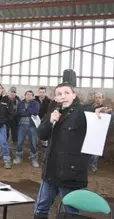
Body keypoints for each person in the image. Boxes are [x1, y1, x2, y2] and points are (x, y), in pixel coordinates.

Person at [34, 83, 89, 219]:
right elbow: (41, 134)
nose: (63, 96)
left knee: (71, 212)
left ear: (74, 95)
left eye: (66, 93)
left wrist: (104, 115)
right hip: (51, 171)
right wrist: (50, 121)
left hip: (70, 173)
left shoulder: (83, 113)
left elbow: (101, 123)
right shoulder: (53, 112)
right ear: (55, 98)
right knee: (40, 209)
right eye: (59, 94)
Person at [14, 90, 40, 167]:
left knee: (33, 143)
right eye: (27, 94)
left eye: (30, 94)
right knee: (20, 142)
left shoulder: (36, 103)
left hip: (32, 126)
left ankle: (34, 159)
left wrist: (25, 110)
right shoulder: (21, 103)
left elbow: (35, 112)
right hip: (22, 125)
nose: (28, 96)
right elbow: (19, 113)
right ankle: (18, 157)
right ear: (25, 95)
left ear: (33, 96)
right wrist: (28, 112)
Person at [35, 87, 52, 163]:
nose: (41, 94)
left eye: (43, 92)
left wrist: (45, 119)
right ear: (38, 93)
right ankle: (35, 156)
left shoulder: (49, 102)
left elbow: (50, 112)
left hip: (45, 123)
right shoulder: (34, 100)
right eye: (40, 92)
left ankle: (44, 158)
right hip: (35, 122)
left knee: (44, 141)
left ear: (45, 93)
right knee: (34, 140)